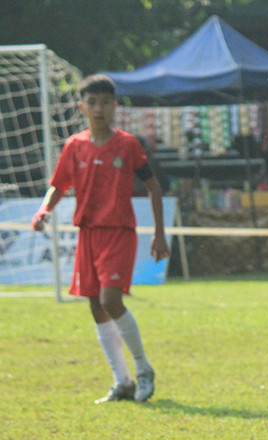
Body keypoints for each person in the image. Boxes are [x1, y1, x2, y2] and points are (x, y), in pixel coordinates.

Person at [31, 74, 167, 403]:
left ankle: (143, 368)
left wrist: (160, 234)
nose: (99, 108)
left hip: (118, 233)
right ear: (82, 107)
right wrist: (44, 208)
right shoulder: (74, 145)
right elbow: (59, 184)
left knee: (110, 300)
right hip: (87, 233)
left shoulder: (128, 144)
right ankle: (121, 381)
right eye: (92, 102)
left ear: (114, 106)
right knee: (95, 304)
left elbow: (153, 187)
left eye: (105, 102)